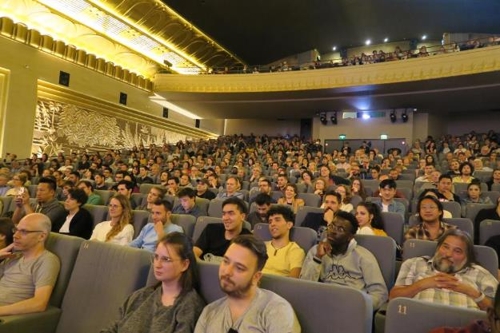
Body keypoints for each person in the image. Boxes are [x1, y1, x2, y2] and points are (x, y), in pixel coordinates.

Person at [101, 232, 205, 333]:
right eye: (156, 257)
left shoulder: (189, 305)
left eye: (166, 259)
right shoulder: (141, 295)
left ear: (184, 265)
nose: (157, 265)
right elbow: (113, 327)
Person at [194, 235, 301, 333]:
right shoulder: (209, 312)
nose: (227, 272)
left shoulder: (276, 311)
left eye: (239, 268)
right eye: (226, 261)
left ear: (256, 277)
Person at [300, 211, 388, 310]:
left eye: (340, 229)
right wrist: (317, 259)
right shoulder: (316, 251)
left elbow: (380, 293)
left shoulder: (363, 257)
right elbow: (304, 287)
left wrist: (360, 307)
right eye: (332, 226)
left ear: (350, 237)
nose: (333, 231)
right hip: (320, 305)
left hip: (351, 308)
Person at [390, 229, 497, 310]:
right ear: (438, 248)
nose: (448, 254)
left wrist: (470, 292)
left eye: (457, 251)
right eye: (445, 247)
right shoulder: (415, 263)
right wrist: (421, 285)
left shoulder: (479, 273)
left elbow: (496, 312)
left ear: (466, 256)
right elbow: (393, 298)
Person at [0, 213, 60, 315]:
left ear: (41, 236)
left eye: (23, 231)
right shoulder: (14, 256)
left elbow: (39, 303)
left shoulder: (46, 260)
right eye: (16, 230)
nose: (15, 235)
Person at [194, 197, 252, 262]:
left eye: (231, 213)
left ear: (242, 217)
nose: (226, 218)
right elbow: (195, 252)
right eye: (224, 214)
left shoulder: (248, 240)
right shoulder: (211, 229)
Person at [262, 205, 305, 278]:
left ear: (289, 225)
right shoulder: (261, 247)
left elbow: (292, 282)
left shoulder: (296, 251)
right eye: (270, 221)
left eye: (277, 220)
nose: (272, 224)